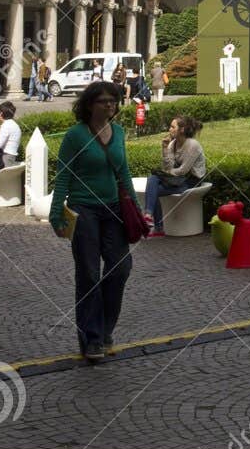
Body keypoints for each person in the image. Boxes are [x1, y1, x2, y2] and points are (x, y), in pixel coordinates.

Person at [51, 81, 135, 362]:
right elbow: (63, 175)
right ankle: (92, 339)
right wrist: (55, 212)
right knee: (88, 274)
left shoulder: (119, 132)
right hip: (83, 209)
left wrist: (135, 208)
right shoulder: (75, 135)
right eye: (103, 101)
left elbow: (123, 173)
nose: (110, 105)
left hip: (113, 210)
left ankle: (105, 328)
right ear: (89, 104)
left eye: (113, 100)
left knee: (121, 268)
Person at [145, 114, 206, 237]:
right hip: (177, 180)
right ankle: (149, 216)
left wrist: (166, 173)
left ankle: (156, 225)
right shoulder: (172, 144)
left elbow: (183, 170)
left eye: (173, 127)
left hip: (190, 181)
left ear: (182, 130)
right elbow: (169, 166)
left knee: (153, 187)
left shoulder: (192, 145)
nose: (169, 129)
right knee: (152, 180)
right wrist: (164, 148)